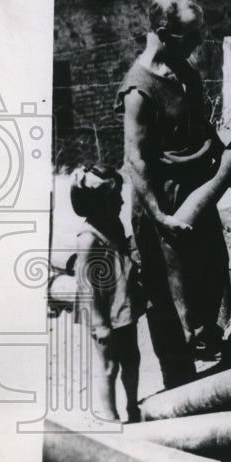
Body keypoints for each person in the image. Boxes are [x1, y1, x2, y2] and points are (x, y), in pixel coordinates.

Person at [117, 0, 231, 387]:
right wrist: (160, 217)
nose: (200, 42)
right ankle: (179, 385)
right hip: (161, 201)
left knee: (215, 267)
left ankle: (204, 352)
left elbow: (200, 124)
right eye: (192, 35)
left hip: (197, 192)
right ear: (163, 34)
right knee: (169, 298)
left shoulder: (184, 70)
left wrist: (225, 155)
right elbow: (136, 160)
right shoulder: (139, 89)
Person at [71, 165, 143, 422]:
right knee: (109, 366)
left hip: (122, 304)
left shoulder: (112, 223)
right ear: (97, 203)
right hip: (101, 310)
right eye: (115, 198)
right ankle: (111, 417)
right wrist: (100, 324)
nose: (122, 201)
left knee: (132, 359)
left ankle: (133, 406)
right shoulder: (88, 239)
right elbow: (87, 285)